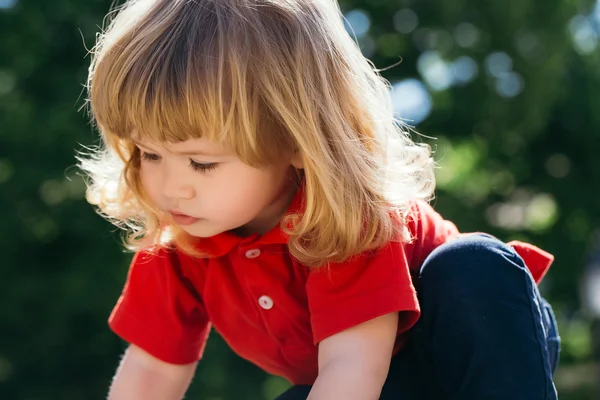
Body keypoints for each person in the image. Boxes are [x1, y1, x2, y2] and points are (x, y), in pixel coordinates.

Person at [78, 0, 560, 398]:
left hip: (487, 340)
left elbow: (354, 366)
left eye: (202, 163)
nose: (169, 186)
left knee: (471, 264)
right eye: (148, 154)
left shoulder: (343, 216)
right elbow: (151, 372)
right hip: (378, 382)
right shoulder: (182, 236)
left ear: (296, 142)